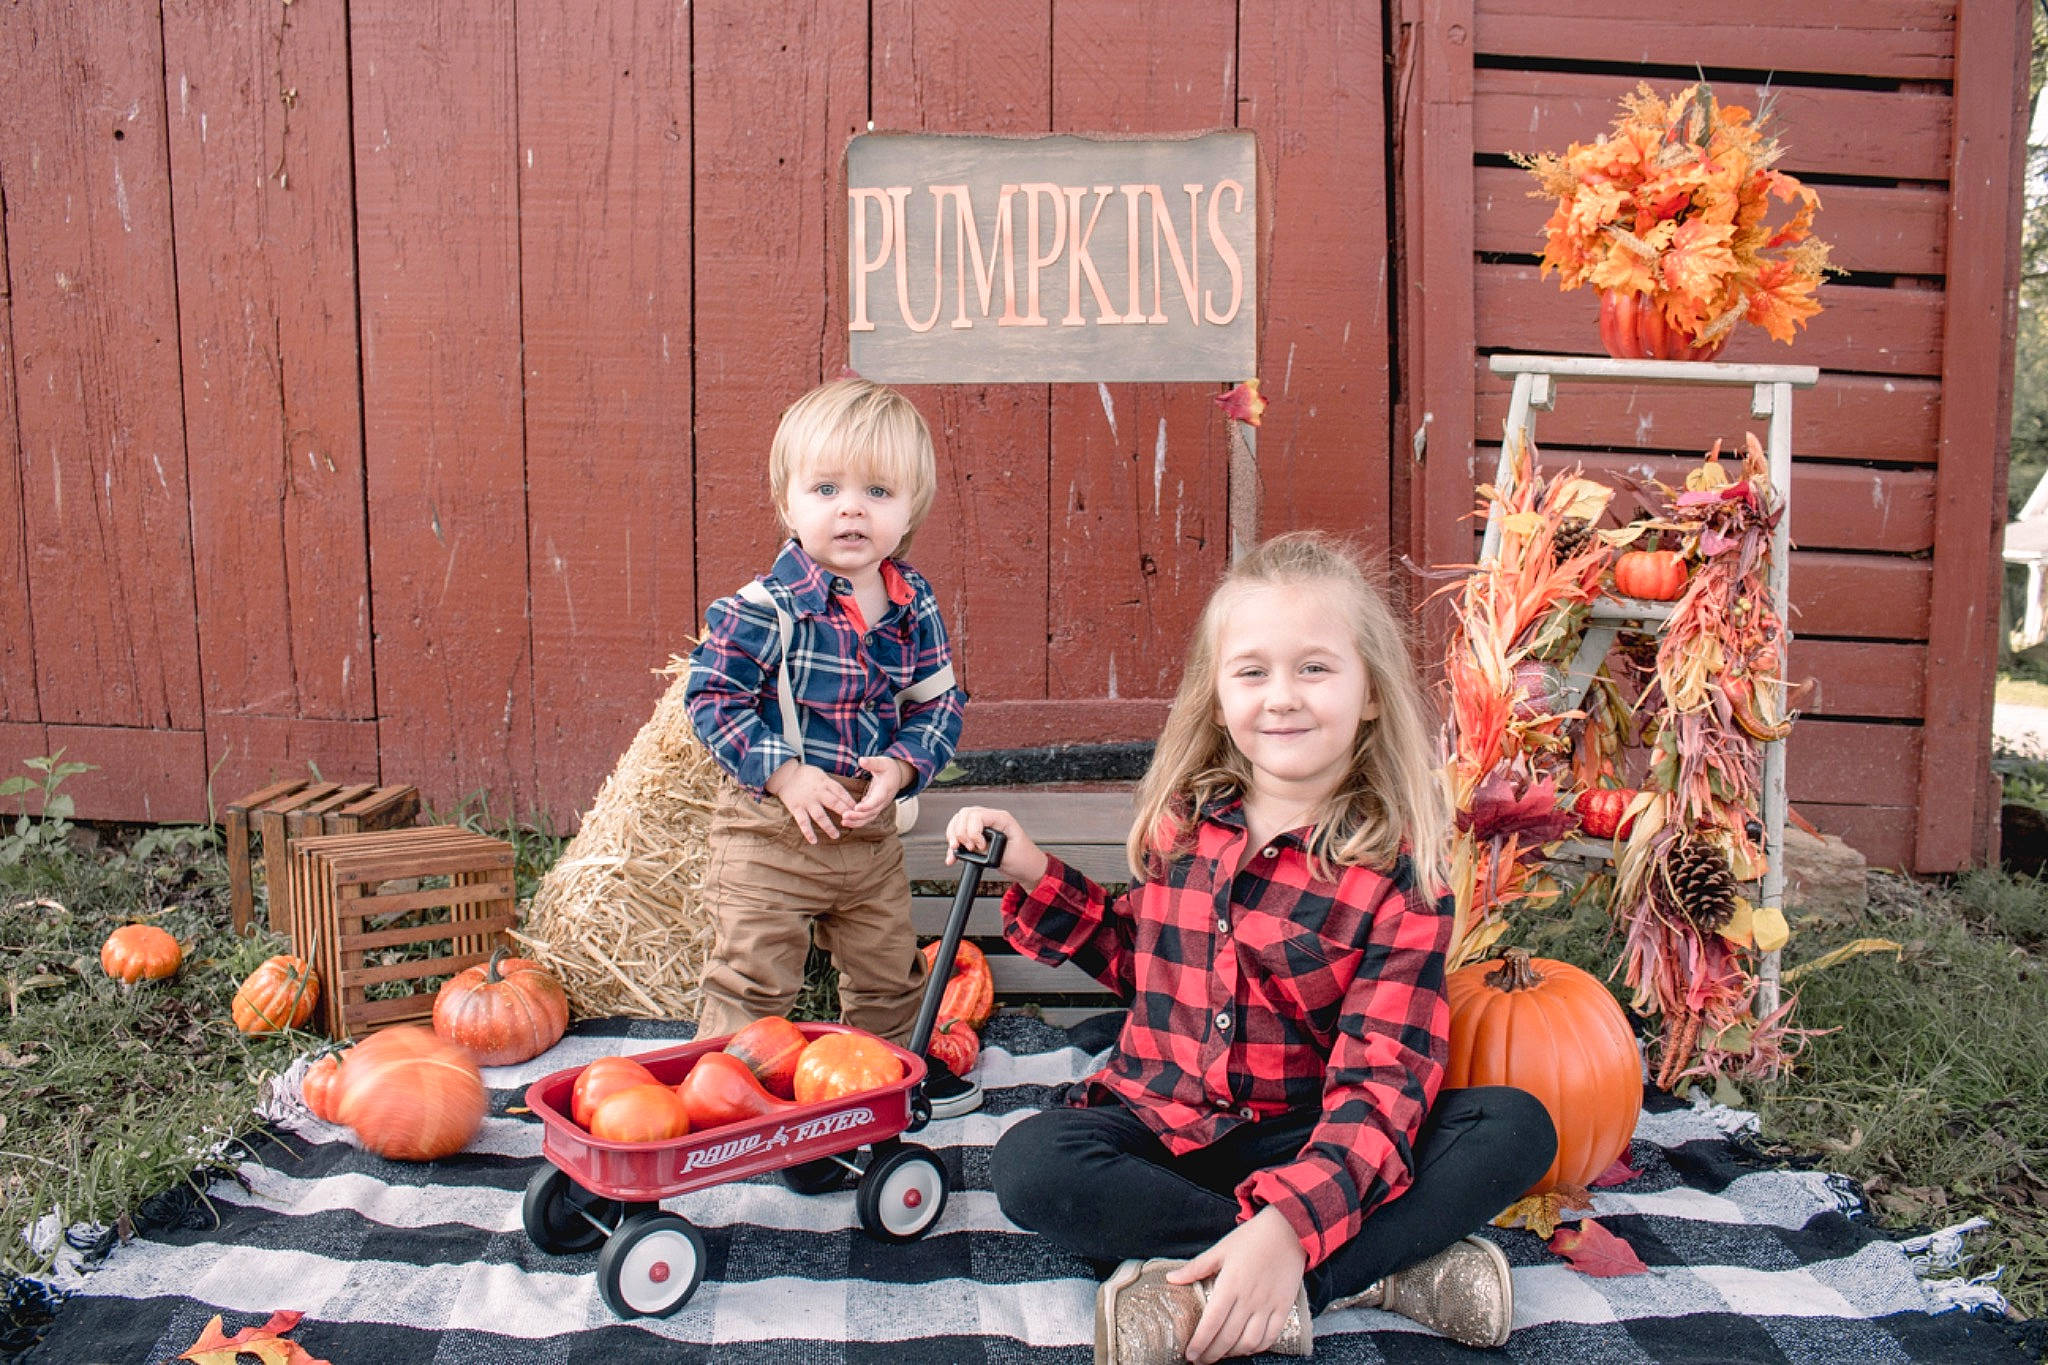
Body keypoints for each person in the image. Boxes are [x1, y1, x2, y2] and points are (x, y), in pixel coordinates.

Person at [946, 532, 1557, 1362]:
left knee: (1516, 1126)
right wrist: (1029, 868)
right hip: (1166, 1137)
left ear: (1371, 692)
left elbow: (1385, 1081)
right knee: (1031, 1163)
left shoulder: (1397, 878)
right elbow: (1142, 960)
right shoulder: (1187, 824)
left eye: (1315, 668)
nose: (1283, 697)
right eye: (1253, 671)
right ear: (1219, 695)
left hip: (1313, 1138)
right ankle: (1363, 1272)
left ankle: (1255, 1279)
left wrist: (1293, 1214)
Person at [687, 377, 979, 1117]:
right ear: (788, 502)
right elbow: (713, 700)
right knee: (753, 975)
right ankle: (735, 1099)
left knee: (888, 973)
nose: (851, 507)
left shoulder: (914, 603)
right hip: (771, 834)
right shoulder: (761, 609)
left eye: (878, 490)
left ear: (911, 507)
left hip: (865, 831)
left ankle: (881, 1081)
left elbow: (939, 700)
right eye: (826, 487)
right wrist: (783, 773)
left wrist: (905, 762)